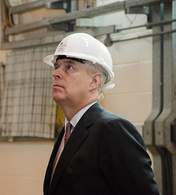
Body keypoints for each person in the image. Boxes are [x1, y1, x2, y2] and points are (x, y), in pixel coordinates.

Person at [42, 33, 159, 195]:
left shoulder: (113, 130)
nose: (55, 74)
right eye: (57, 66)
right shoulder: (67, 133)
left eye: (69, 67)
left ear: (94, 81)